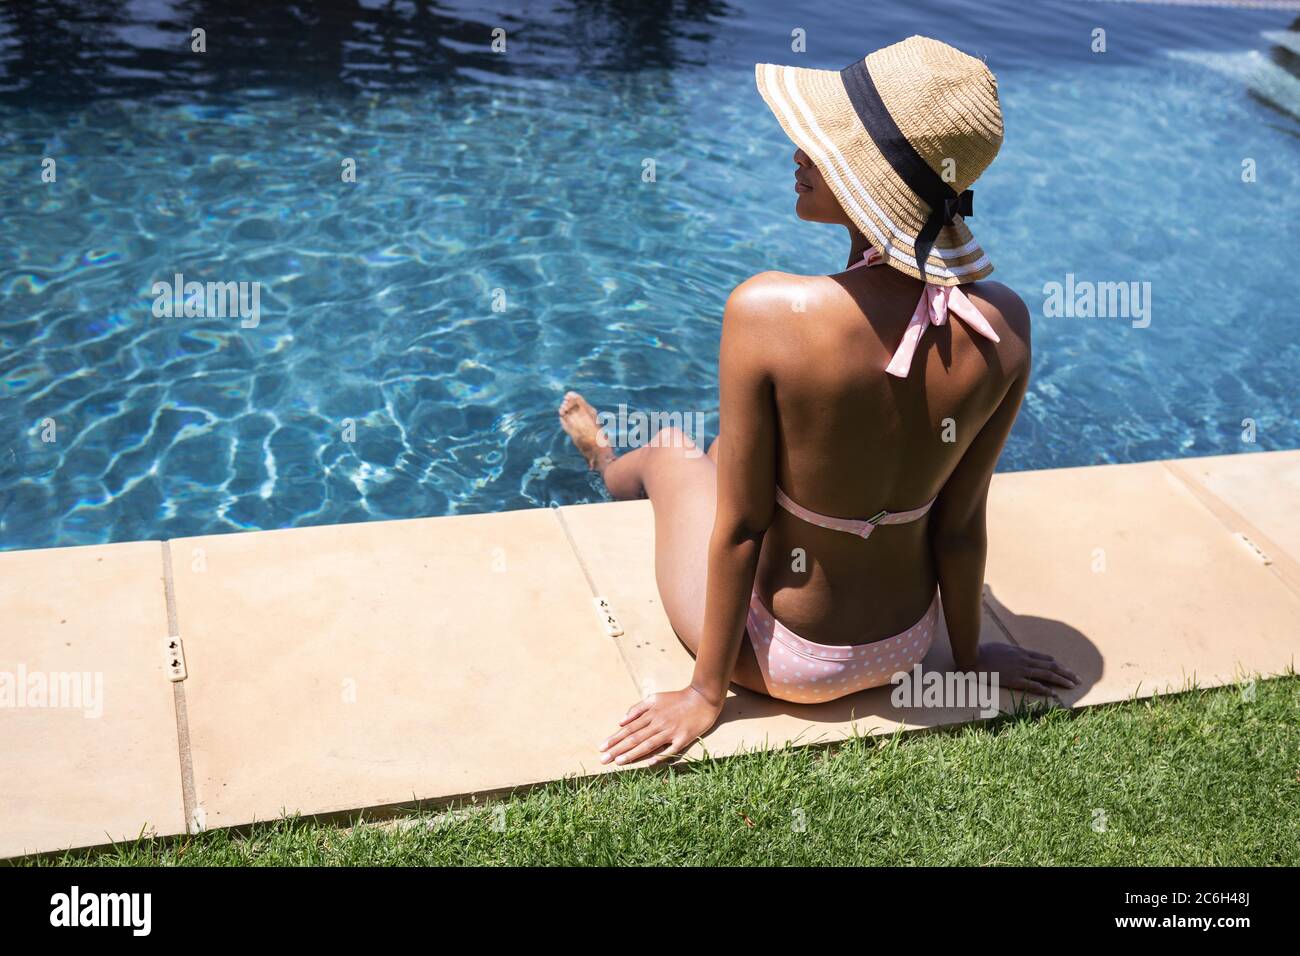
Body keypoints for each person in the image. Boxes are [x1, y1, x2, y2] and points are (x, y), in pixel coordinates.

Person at [560, 35, 1078, 767]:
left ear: (873, 181)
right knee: (727, 457)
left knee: (675, 452)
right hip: (907, 643)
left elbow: (742, 529)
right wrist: (967, 657)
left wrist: (707, 694)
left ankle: (606, 463)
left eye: (822, 142)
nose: (798, 150)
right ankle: (657, 463)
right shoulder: (1005, 325)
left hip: (775, 656)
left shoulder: (768, 311)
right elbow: (960, 528)